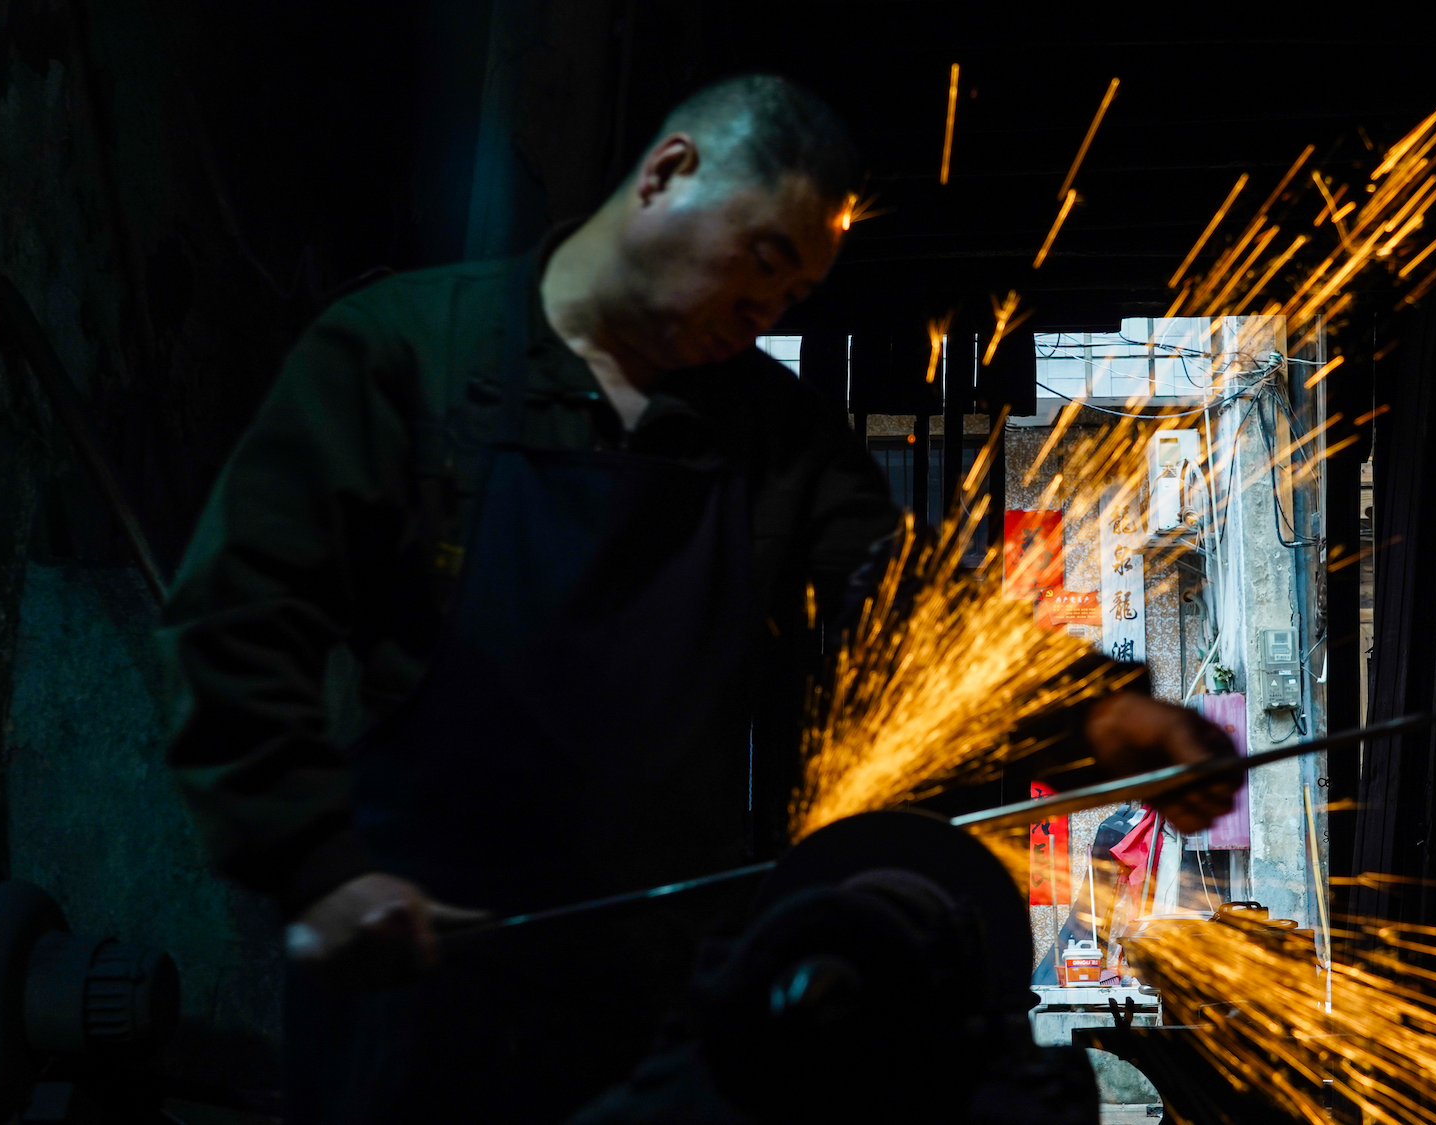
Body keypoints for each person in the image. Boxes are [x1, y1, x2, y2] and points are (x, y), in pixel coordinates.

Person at [159, 74, 1237, 1123]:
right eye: (761, 260)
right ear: (668, 172)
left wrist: (1097, 717)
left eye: (793, 294)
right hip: (416, 970)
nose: (764, 307)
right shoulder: (404, 353)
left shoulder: (771, 433)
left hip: (662, 1002)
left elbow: (910, 617)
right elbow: (238, 620)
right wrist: (315, 863)